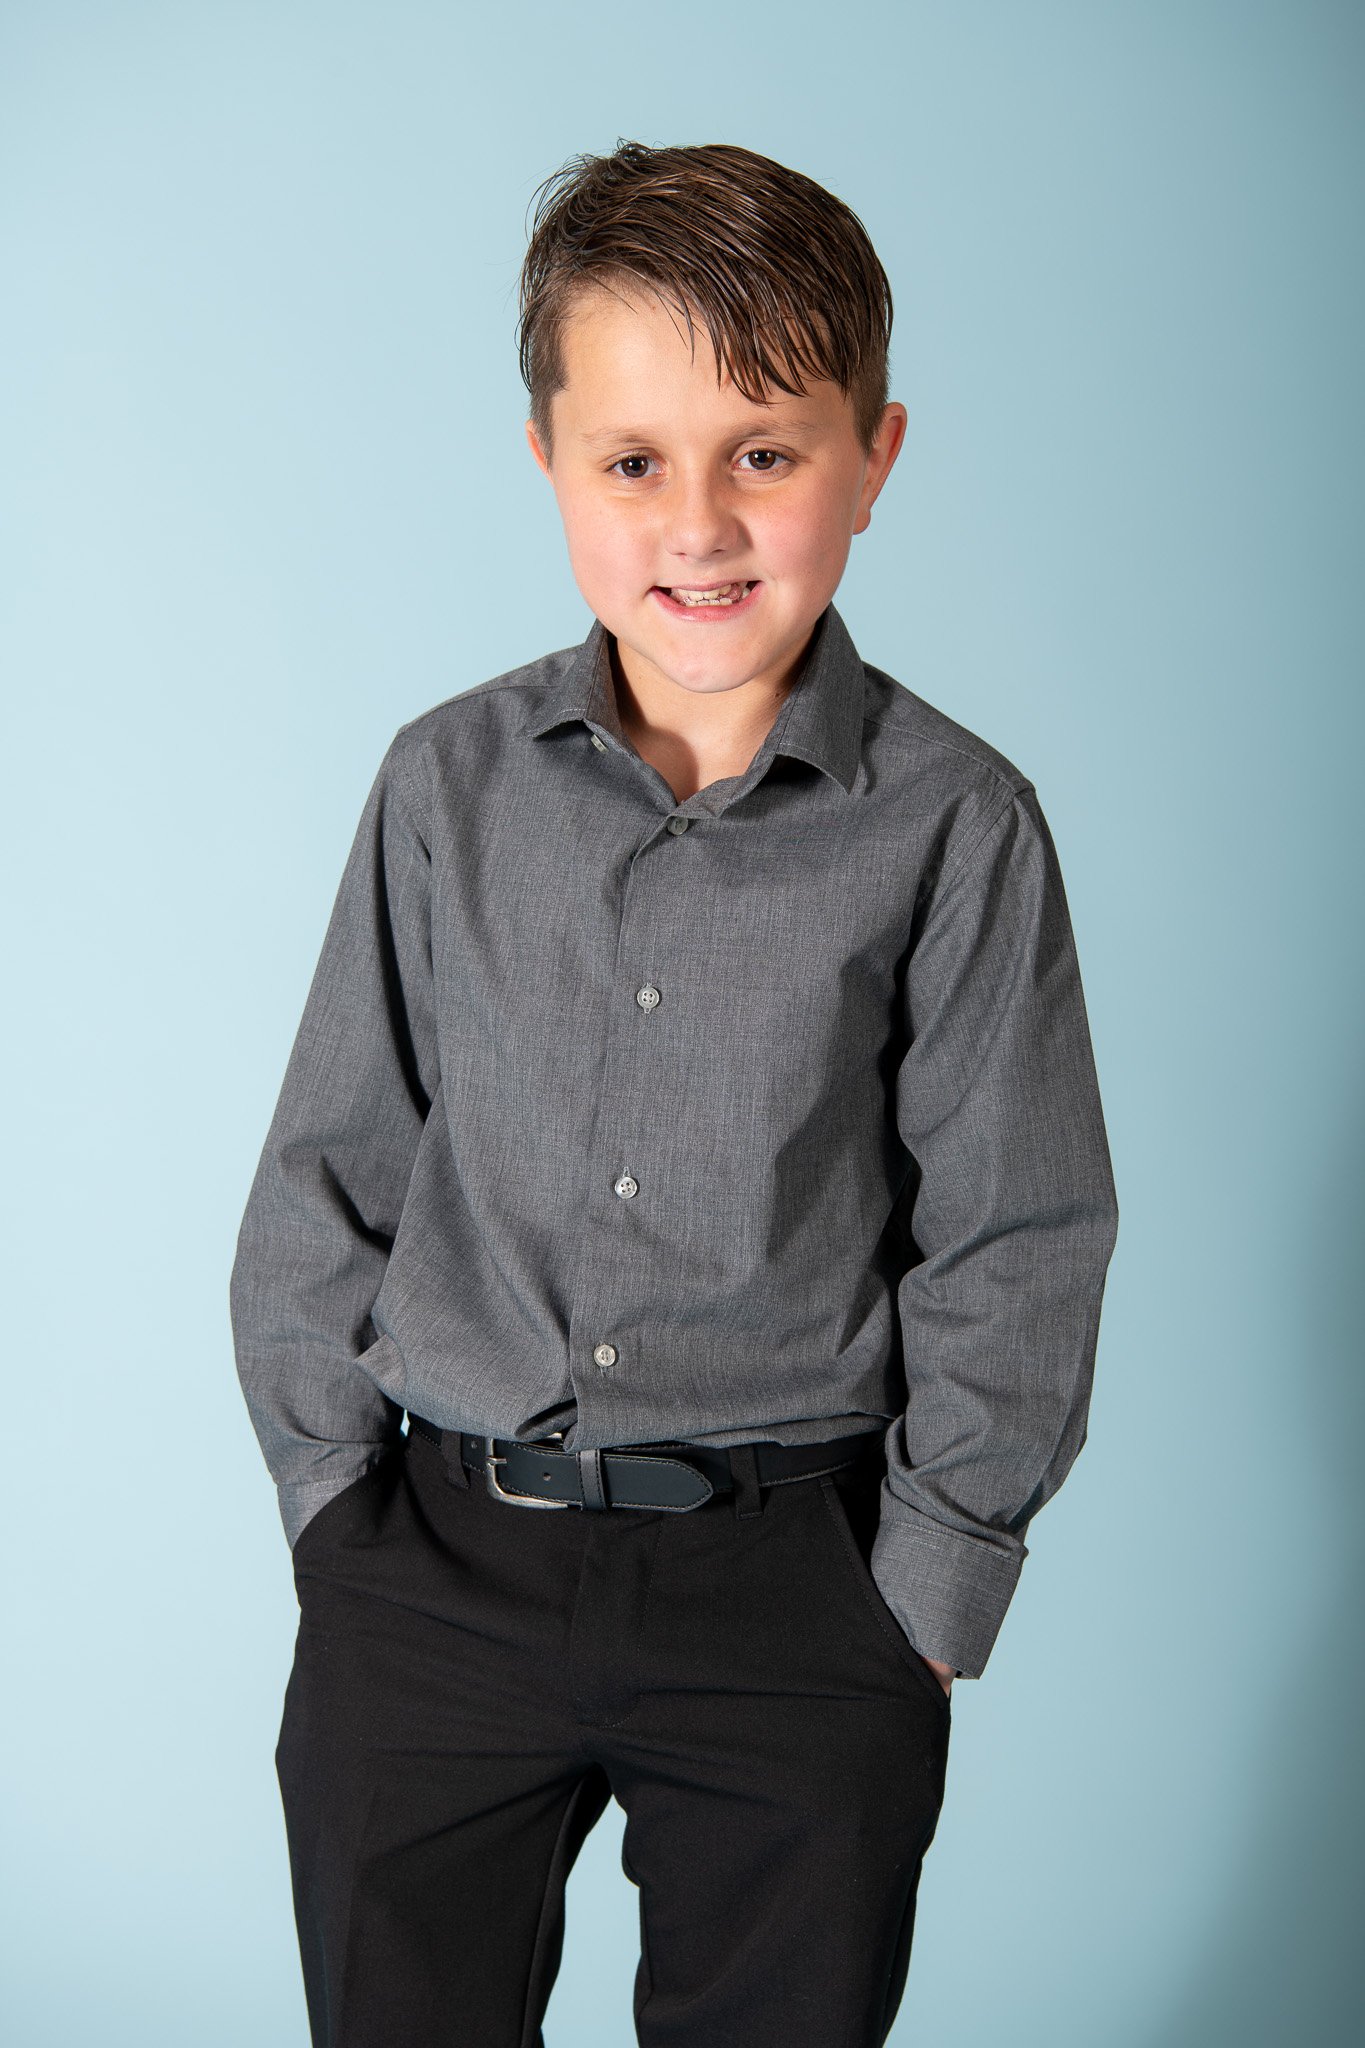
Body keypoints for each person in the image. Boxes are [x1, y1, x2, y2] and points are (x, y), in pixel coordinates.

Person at [229, 139, 1119, 2048]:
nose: (699, 524)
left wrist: (925, 1597)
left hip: (792, 1592)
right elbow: (332, 1156)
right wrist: (332, 1512)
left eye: (765, 453)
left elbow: (1019, 1226)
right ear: (549, 458)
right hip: (437, 1570)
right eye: (634, 460)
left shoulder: (958, 825)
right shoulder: (441, 788)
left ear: (874, 458)